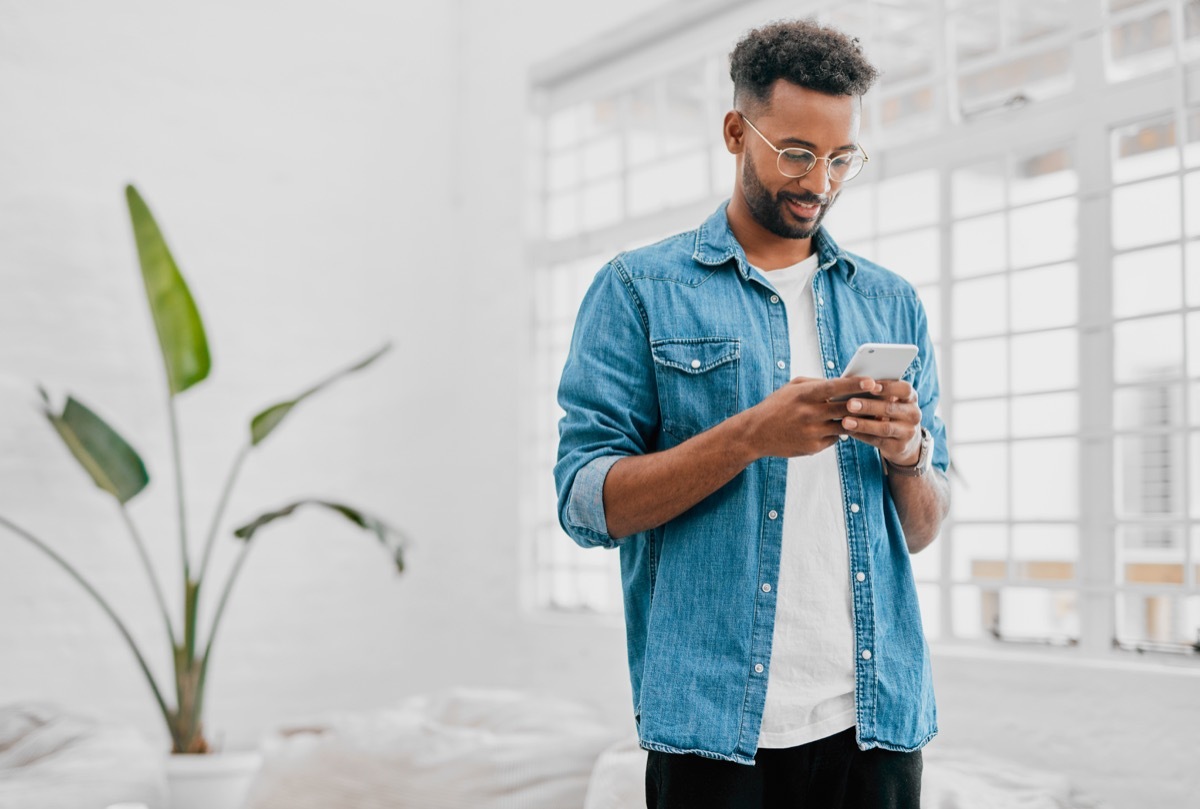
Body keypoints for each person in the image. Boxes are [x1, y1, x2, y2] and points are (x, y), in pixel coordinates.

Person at [554, 17, 951, 809]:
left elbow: (920, 528)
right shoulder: (638, 288)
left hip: (873, 718)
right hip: (711, 723)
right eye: (796, 153)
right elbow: (584, 503)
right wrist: (748, 437)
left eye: (841, 158)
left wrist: (908, 455)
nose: (819, 182)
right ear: (737, 131)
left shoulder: (890, 301)